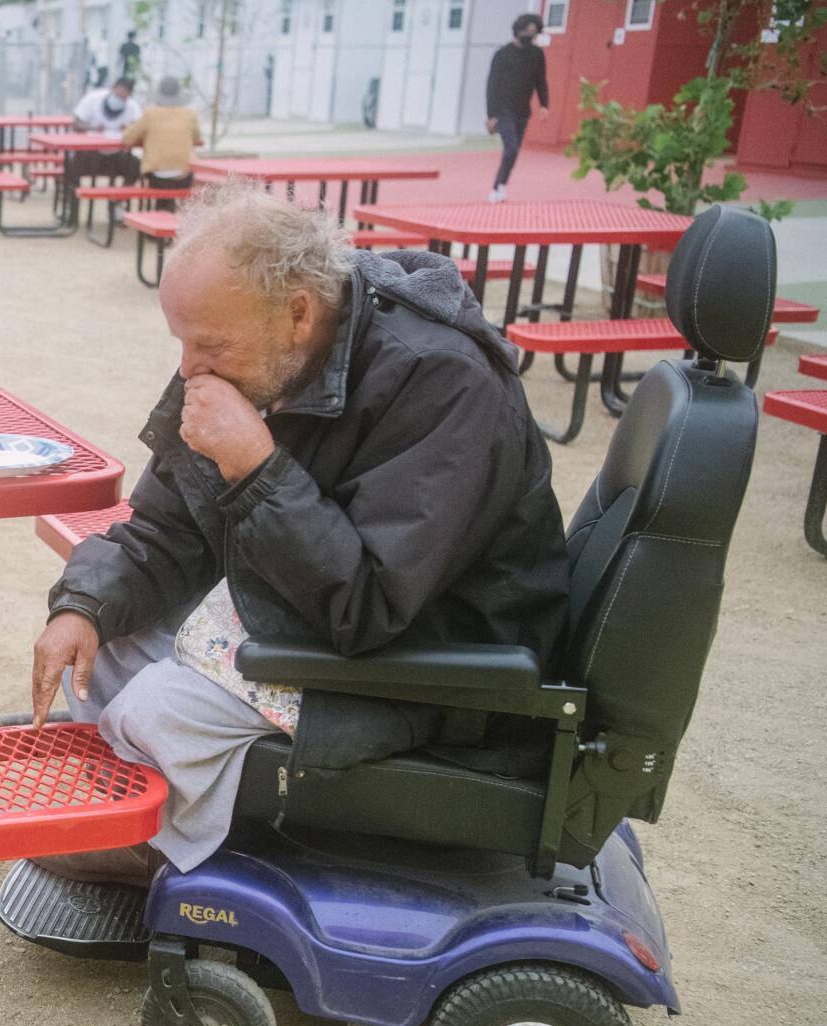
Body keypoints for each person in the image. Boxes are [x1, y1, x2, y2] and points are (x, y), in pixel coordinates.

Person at [29, 184, 570, 884]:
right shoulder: (253, 362)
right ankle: (164, 802)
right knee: (99, 651)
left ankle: (161, 842)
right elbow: (167, 528)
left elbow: (368, 604)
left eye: (209, 344)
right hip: (312, 607)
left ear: (297, 313)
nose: (190, 368)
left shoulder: (445, 383)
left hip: (434, 662)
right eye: (182, 343)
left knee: (153, 709)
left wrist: (255, 466)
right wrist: (85, 603)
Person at [486, 14, 549, 203]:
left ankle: (502, 185)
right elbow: (492, 85)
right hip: (504, 110)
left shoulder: (537, 55)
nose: (531, 36)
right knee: (511, 148)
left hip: (523, 110)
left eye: (534, 32)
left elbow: (541, 81)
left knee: (514, 151)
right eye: (527, 31)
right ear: (518, 30)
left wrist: (545, 104)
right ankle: (496, 187)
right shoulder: (503, 54)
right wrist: (491, 115)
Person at [121, 76, 203, 195]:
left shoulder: (150, 114)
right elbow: (197, 138)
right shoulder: (190, 115)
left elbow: (127, 139)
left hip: (157, 176)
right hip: (184, 176)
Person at [71, 77, 144, 185]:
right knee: (71, 163)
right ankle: (73, 199)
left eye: (124, 97)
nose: (120, 98)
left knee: (136, 166)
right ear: (112, 88)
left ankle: (118, 198)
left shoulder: (132, 107)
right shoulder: (94, 98)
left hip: (117, 154)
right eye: (118, 94)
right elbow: (76, 124)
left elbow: (139, 130)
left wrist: (129, 129)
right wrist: (93, 128)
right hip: (91, 152)